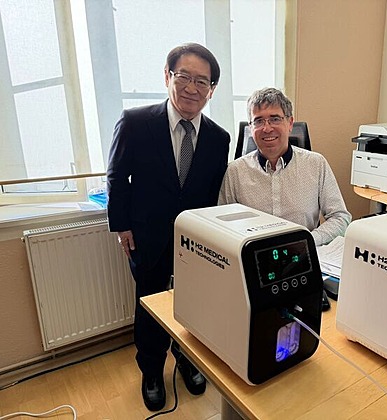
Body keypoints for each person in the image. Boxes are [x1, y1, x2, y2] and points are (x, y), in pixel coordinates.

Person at [106, 43, 230, 412]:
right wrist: (122, 226)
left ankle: (188, 360)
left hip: (196, 242)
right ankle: (151, 371)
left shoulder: (219, 138)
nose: (192, 88)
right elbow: (116, 177)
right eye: (184, 77)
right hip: (148, 237)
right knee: (150, 307)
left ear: (211, 90)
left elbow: (214, 193)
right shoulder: (135, 122)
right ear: (167, 76)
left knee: (194, 307)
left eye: (202, 81)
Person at [218, 87, 351, 246]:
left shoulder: (316, 164)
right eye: (259, 121)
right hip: (253, 256)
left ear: (290, 123)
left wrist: (308, 241)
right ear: (251, 127)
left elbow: (340, 217)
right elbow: (222, 226)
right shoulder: (235, 171)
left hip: (302, 254)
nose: (267, 128)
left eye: (275, 119)